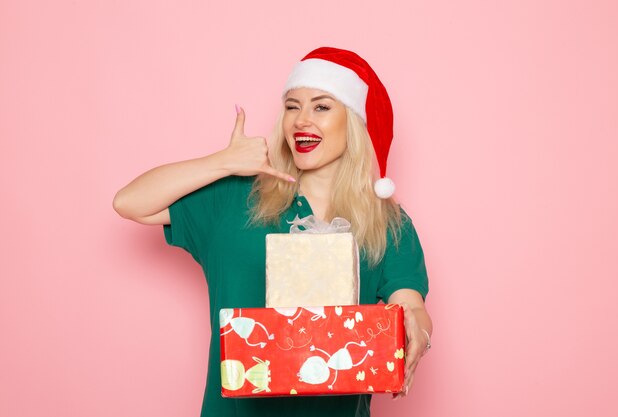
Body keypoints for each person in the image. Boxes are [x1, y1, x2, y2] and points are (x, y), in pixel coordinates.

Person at [113, 46, 432, 417]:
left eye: (322, 106)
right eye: (293, 106)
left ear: (354, 122)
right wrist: (222, 162)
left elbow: (410, 303)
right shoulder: (236, 200)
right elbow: (129, 202)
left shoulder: (387, 223)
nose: (301, 120)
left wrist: (419, 332)